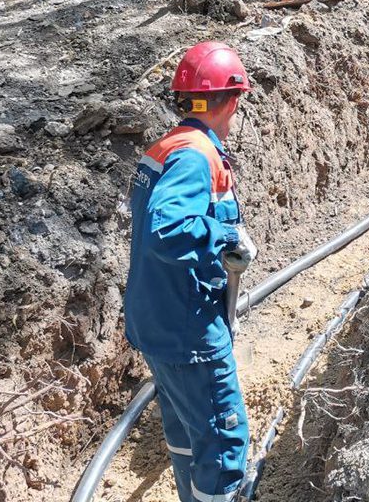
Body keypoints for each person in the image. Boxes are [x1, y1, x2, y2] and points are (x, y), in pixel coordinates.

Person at [124, 41, 257, 502]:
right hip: (189, 331)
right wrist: (227, 239)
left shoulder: (166, 147)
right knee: (222, 445)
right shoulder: (197, 155)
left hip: (156, 318)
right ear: (233, 101)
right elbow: (167, 229)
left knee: (185, 433)